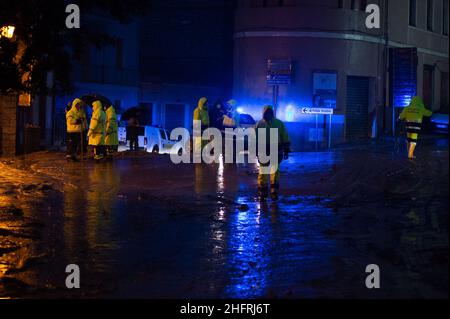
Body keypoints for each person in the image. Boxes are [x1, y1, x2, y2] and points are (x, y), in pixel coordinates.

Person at [255, 105, 290, 201]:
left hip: (274, 150)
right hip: (268, 150)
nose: (268, 114)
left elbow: (284, 136)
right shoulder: (275, 123)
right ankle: (264, 191)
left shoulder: (261, 124)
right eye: (267, 113)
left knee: (272, 171)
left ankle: (270, 192)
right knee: (264, 171)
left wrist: (286, 148)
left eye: (269, 112)